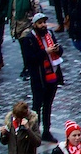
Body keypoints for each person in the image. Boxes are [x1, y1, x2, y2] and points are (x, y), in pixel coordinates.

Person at [20, 12, 63, 142]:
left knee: (48, 105)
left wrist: (57, 50)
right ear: (34, 25)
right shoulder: (29, 39)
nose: (43, 25)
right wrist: (45, 52)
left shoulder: (49, 34)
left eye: (44, 22)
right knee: (37, 106)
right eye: (40, 23)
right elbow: (29, 60)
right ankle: (34, 130)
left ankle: (46, 131)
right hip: (39, 78)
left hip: (52, 76)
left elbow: (60, 52)